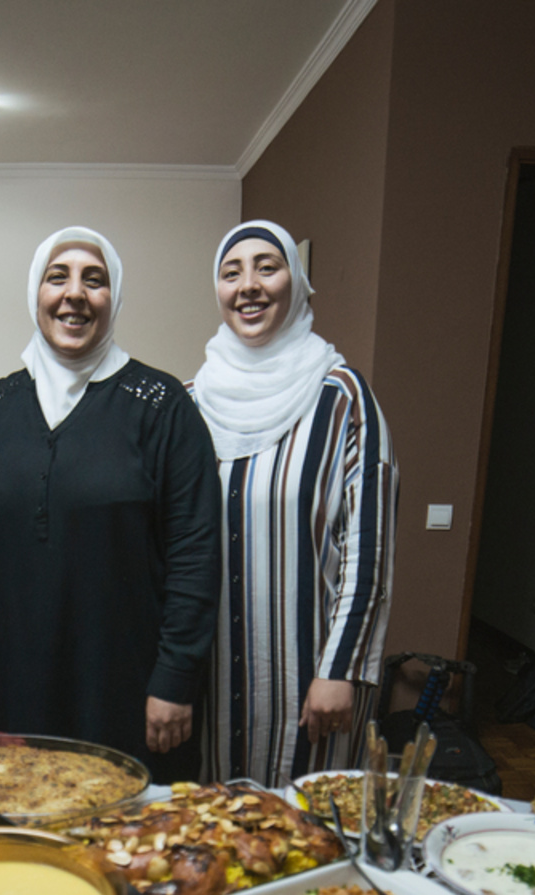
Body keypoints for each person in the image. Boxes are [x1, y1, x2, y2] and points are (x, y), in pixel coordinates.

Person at [0, 226, 220, 782]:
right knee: (17, 841)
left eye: (95, 279)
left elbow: (196, 554)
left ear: (115, 298)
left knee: (123, 854)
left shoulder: (162, 407)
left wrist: (175, 680)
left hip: (123, 692)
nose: (75, 293)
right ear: (36, 292)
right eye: (57, 277)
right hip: (8, 688)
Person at [191, 220, 396, 787]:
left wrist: (341, 669)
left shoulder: (343, 399)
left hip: (308, 681)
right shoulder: (192, 403)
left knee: (307, 836)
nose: (248, 286)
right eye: (231, 273)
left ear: (297, 281)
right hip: (210, 684)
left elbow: (368, 549)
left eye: (267, 267)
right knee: (217, 836)